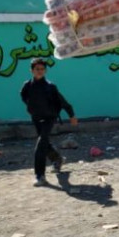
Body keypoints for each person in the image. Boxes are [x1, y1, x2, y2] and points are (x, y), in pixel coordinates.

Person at [20, 58, 78, 187]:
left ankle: (40, 176)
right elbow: (23, 96)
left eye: (42, 69)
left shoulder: (50, 87)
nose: (39, 71)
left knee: (40, 145)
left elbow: (63, 102)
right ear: (32, 70)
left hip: (49, 118)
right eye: (37, 69)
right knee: (44, 142)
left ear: (45, 71)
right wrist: (31, 108)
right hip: (36, 118)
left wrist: (72, 115)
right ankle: (57, 158)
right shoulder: (27, 86)